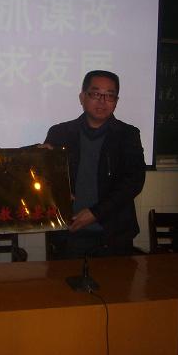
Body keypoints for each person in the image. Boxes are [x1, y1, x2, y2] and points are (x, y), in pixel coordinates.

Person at [44, 70, 146, 259]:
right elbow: (45, 178)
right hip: (67, 233)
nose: (102, 101)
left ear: (116, 101)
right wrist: (37, 158)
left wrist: (95, 213)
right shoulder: (60, 133)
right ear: (82, 97)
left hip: (113, 235)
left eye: (109, 95)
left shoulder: (128, 135)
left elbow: (134, 181)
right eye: (95, 94)